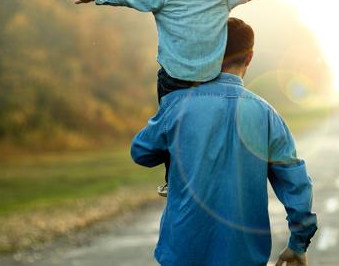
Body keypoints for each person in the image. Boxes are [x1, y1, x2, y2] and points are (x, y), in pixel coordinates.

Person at [66, 0, 307, 196]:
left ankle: (173, 179)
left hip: (173, 80)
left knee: (171, 127)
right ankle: (214, 166)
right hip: (210, 78)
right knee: (213, 122)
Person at [131, 18, 317, 266]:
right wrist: (298, 243)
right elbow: (296, 184)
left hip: (182, 254)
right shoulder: (267, 115)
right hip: (244, 257)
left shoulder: (177, 105)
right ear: (249, 58)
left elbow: (141, 153)